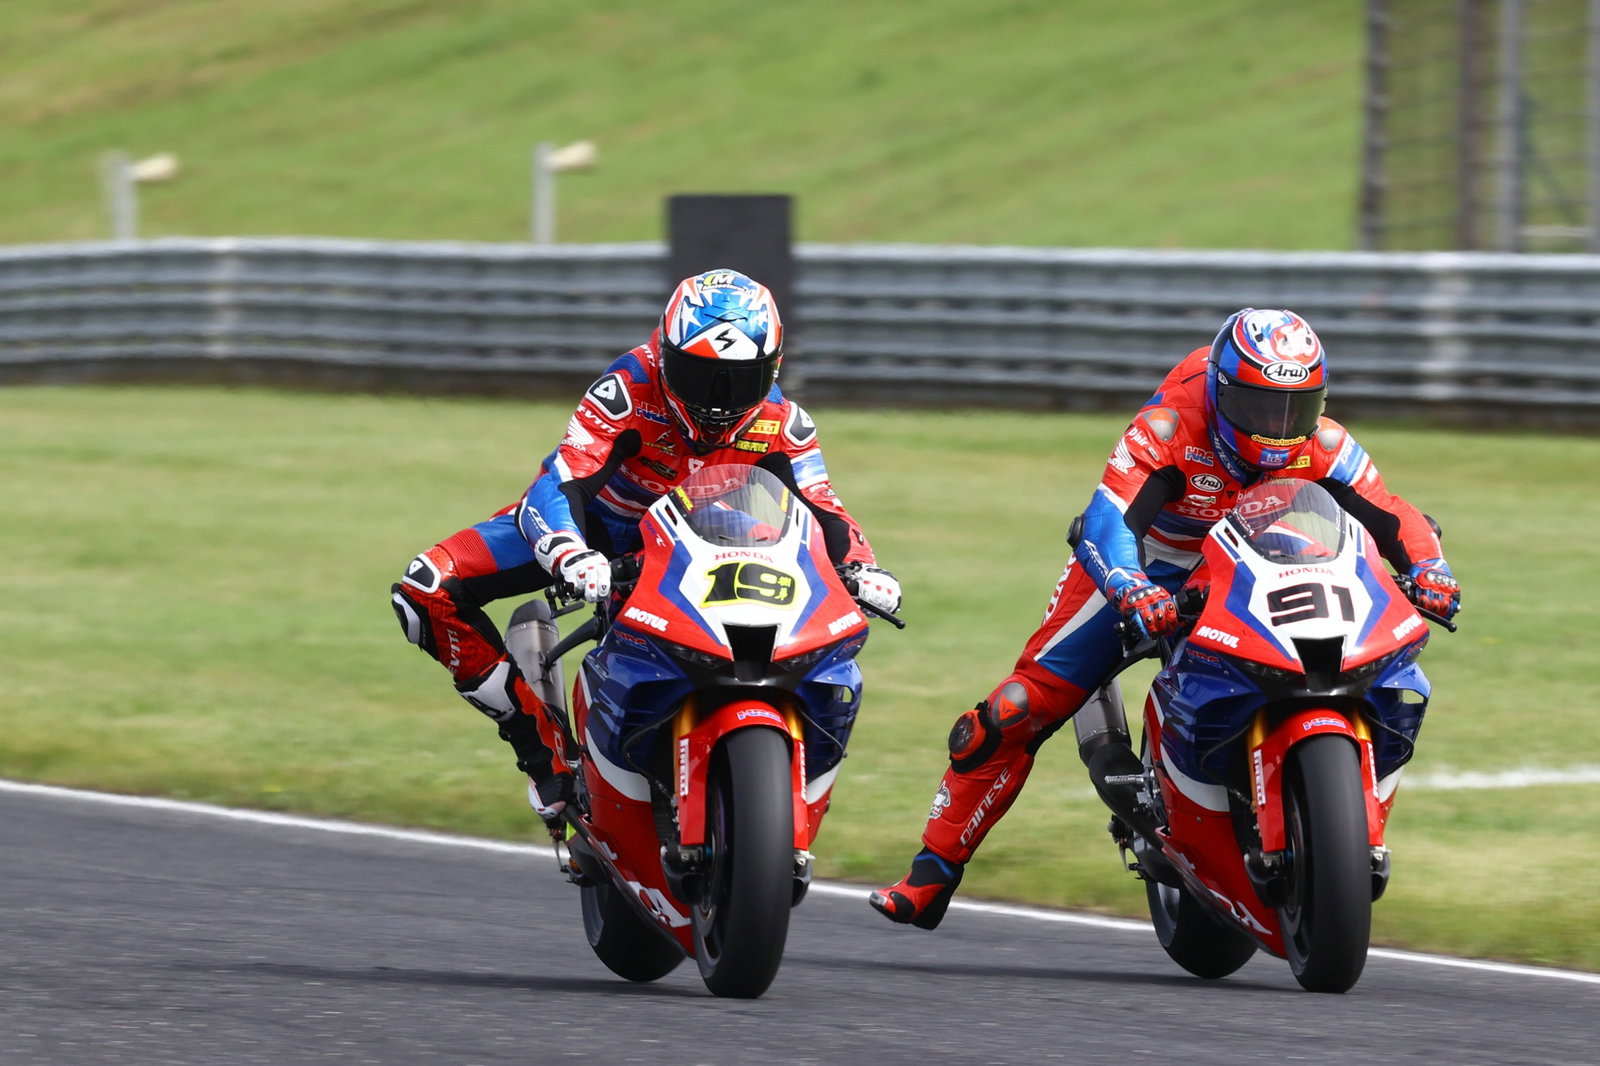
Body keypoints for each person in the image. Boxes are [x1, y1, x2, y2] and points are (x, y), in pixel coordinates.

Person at [869, 307, 1462, 929]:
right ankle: (931, 875)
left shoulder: (1325, 443)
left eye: (1297, 409)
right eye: (1261, 409)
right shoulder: (1168, 426)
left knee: (1381, 662)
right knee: (1016, 710)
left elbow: (1393, 513)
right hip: (1155, 562)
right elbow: (1106, 519)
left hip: (1266, 556)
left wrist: (1431, 569)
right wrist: (1129, 585)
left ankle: (1341, 810)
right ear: (1222, 392)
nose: (1279, 429)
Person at [391, 268, 902, 824]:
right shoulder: (626, 388)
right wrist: (567, 550)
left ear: (773, 370)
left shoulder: (784, 421)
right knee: (426, 589)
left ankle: (770, 761)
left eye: (740, 381)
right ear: (664, 353)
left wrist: (863, 567)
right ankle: (542, 750)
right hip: (596, 529)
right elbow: (561, 478)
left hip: (708, 536)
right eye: (699, 376)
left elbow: (823, 506)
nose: (717, 402)